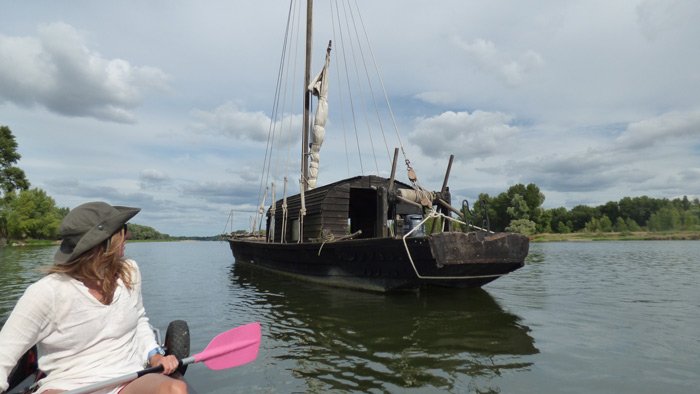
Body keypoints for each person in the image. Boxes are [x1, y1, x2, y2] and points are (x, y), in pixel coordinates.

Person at [0, 202, 187, 394]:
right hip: (69, 386)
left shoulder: (130, 273)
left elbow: (139, 318)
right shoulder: (46, 293)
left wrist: (154, 355)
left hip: (128, 378)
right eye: (122, 230)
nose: (128, 235)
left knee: (175, 389)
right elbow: (3, 356)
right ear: (103, 243)